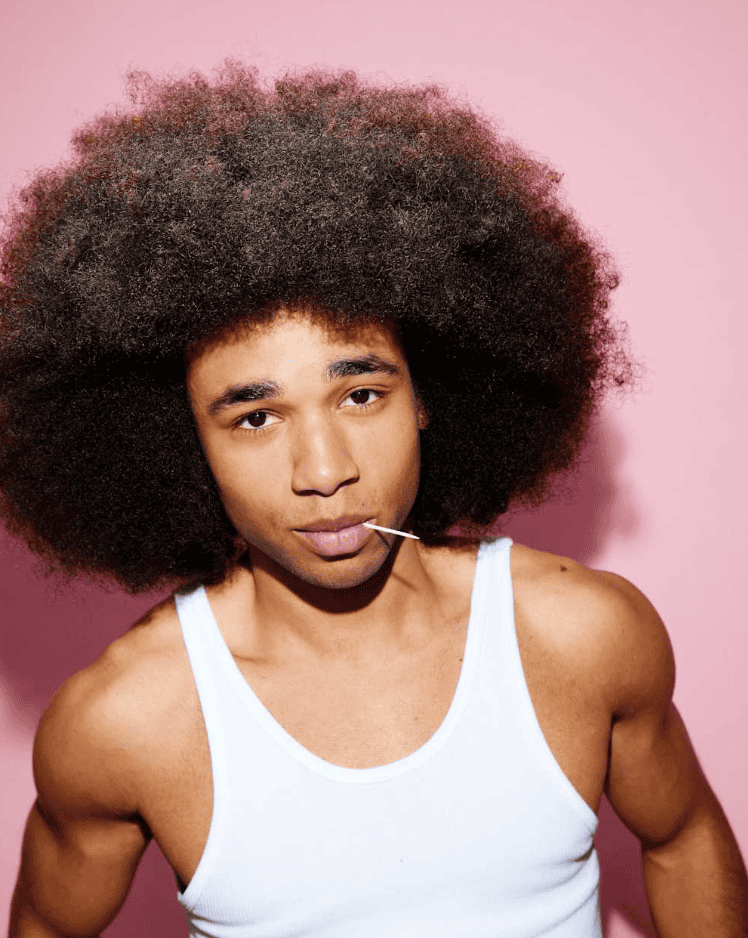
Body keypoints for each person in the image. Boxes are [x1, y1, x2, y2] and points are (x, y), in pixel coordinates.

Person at [2, 62, 746, 938]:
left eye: (360, 395)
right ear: (180, 444)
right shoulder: (129, 722)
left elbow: (687, 837)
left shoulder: (582, 636)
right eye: (254, 417)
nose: (324, 470)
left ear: (430, 394)